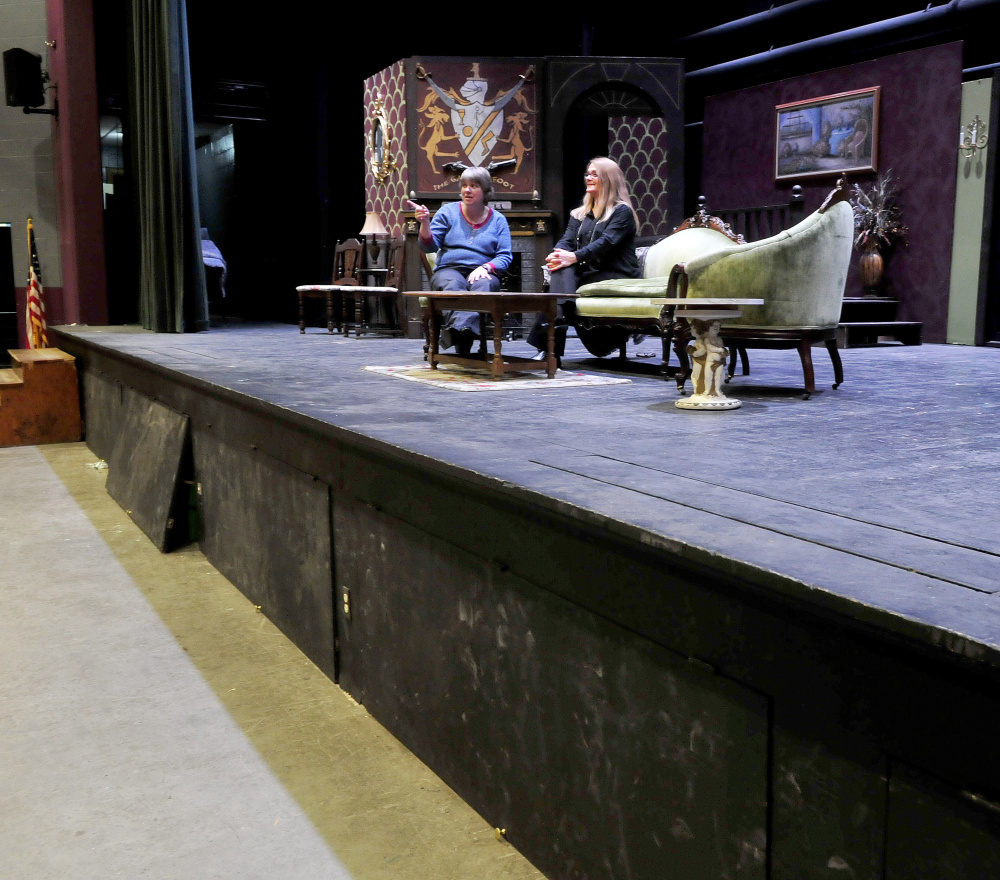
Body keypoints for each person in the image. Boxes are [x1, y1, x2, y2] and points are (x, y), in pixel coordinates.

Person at [528, 157, 641, 358]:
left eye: (594, 174)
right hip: (590, 272)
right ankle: (561, 316)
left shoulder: (622, 212)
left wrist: (573, 257)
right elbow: (566, 241)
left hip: (616, 273)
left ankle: (549, 347)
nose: (588, 178)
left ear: (608, 179)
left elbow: (605, 244)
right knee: (561, 268)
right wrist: (557, 255)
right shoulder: (580, 214)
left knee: (564, 270)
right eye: (587, 174)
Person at [410, 167, 512, 356]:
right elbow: (429, 247)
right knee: (453, 285)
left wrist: (487, 267)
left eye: (474, 186)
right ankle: (464, 332)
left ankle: (457, 334)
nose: (467, 190)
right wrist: (425, 224)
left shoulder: (498, 220)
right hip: (449, 269)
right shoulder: (447, 212)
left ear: (486, 191)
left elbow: (505, 256)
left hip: (482, 270)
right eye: (464, 185)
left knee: (483, 286)